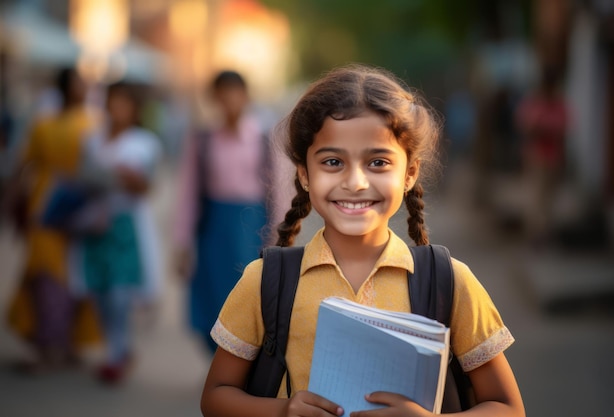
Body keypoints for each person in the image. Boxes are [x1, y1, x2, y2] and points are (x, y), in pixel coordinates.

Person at [200, 65, 525, 417]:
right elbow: (216, 397)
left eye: (378, 162)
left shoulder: (449, 281)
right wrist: (283, 410)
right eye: (333, 161)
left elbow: (508, 407)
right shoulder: (265, 281)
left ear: (409, 173)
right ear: (305, 175)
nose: (355, 182)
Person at [5, 67, 101, 372]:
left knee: (76, 278)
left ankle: (67, 342)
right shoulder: (55, 124)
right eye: (79, 83)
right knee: (47, 276)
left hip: (74, 207)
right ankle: (47, 342)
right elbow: (24, 166)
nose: (85, 89)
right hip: (52, 208)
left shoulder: (92, 124)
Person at [172, 70, 275, 354]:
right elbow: (189, 193)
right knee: (212, 295)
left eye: (235, 92)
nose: (229, 100)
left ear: (246, 96)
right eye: (222, 93)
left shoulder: (263, 139)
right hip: (214, 226)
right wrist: (181, 243)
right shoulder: (204, 141)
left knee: (248, 295)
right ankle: (218, 365)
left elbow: (277, 192)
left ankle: (245, 365)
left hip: (251, 227)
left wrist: (278, 239)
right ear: (214, 98)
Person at [69, 81, 162, 384]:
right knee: (98, 289)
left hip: (125, 226)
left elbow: (146, 186)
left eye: (124, 103)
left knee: (121, 291)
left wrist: (124, 177)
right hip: (95, 224)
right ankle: (114, 348)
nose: (117, 109)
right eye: (113, 102)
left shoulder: (144, 143)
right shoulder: (92, 140)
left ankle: (118, 351)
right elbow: (81, 177)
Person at [515, 66, 569, 247]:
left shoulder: (559, 104)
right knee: (535, 197)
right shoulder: (535, 103)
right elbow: (527, 127)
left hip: (553, 157)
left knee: (549, 199)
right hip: (536, 157)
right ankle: (536, 236)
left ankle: (545, 235)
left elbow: (563, 129)